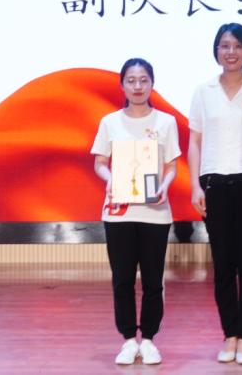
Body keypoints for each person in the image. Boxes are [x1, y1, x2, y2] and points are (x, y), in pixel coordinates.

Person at [188, 23, 242, 366]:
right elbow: (195, 142)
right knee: (223, 264)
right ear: (216, 50)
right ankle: (229, 334)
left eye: (238, 46)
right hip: (214, 184)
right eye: (225, 45)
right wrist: (195, 185)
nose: (231, 52)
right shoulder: (203, 91)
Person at [91, 58, 180, 366]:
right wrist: (111, 180)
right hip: (119, 212)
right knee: (123, 279)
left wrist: (165, 185)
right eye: (131, 80)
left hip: (155, 212)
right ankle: (129, 340)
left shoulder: (165, 122)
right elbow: (100, 163)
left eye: (143, 80)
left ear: (152, 84)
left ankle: (150, 340)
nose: (138, 86)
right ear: (122, 85)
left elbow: (171, 165)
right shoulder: (110, 122)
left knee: (154, 280)